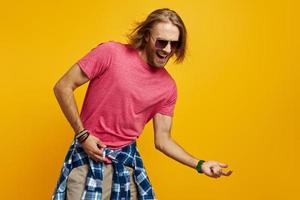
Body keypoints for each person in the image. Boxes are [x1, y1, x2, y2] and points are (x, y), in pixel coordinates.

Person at [52, 8, 233, 200]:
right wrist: (83, 135)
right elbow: (63, 86)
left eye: (174, 44)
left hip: (127, 165)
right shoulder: (110, 53)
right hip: (89, 160)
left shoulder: (168, 87)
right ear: (147, 36)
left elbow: (163, 140)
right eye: (162, 42)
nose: (168, 50)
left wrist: (200, 164)